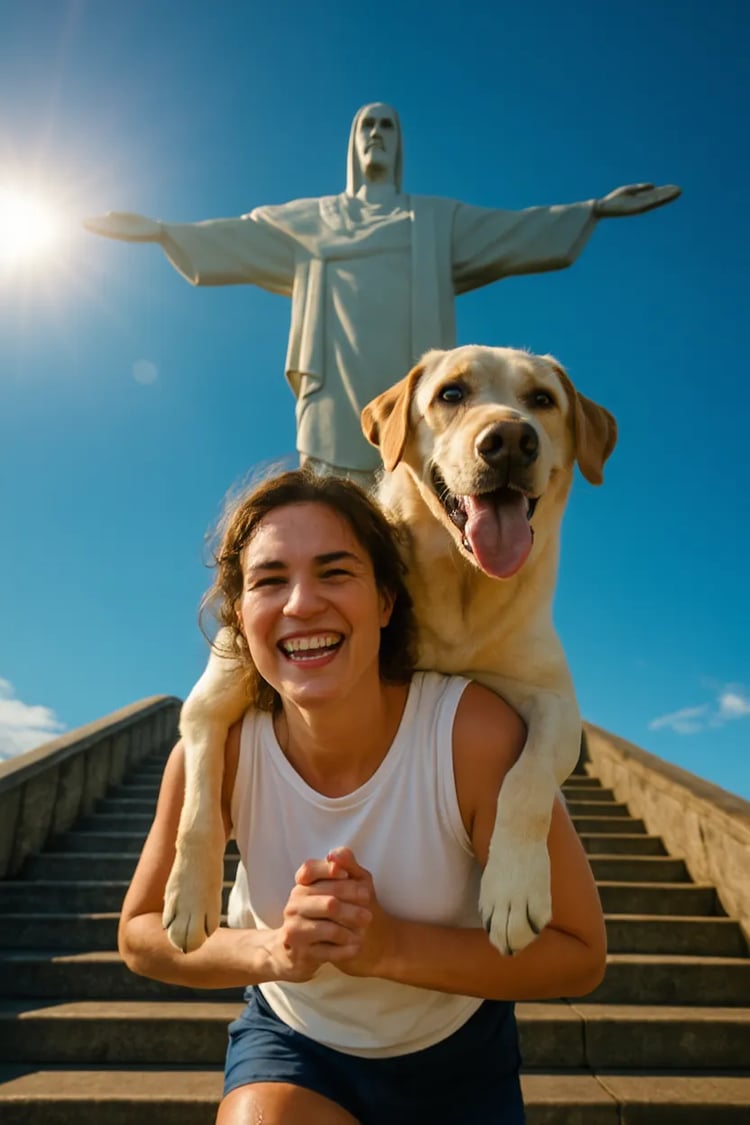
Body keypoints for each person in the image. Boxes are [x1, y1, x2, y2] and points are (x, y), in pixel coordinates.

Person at [118, 469, 607, 1124]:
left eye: (335, 571)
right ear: (239, 613)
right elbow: (140, 933)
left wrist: (389, 947)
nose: (300, 603)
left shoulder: (472, 736)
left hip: (458, 1059)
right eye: (269, 580)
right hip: (295, 1045)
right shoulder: (215, 756)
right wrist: (274, 952)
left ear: (385, 599)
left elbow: (579, 952)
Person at [85, 103, 680, 487]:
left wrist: (593, 210)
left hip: (417, 394)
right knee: (333, 512)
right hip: (334, 390)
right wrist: (163, 230)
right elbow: (239, 235)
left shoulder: (433, 221)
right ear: (352, 144)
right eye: (366, 126)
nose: (377, 135)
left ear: (399, 146)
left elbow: (513, 230)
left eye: (387, 127)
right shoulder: (308, 221)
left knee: (418, 514)